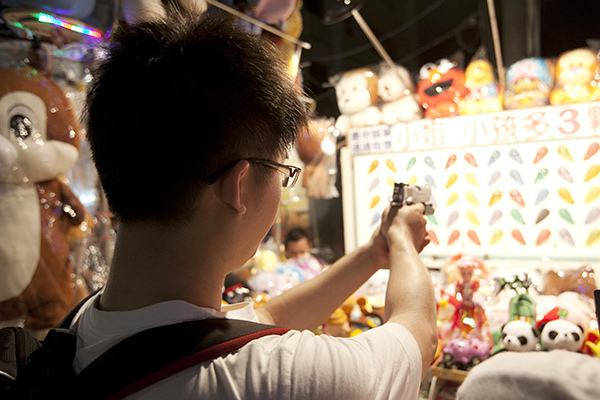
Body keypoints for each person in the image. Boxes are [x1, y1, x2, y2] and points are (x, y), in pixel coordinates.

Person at [71, 6, 437, 399]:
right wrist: (401, 240)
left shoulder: (84, 326)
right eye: (282, 170)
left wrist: (372, 253)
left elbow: (259, 320)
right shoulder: (275, 377)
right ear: (239, 186)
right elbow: (417, 334)